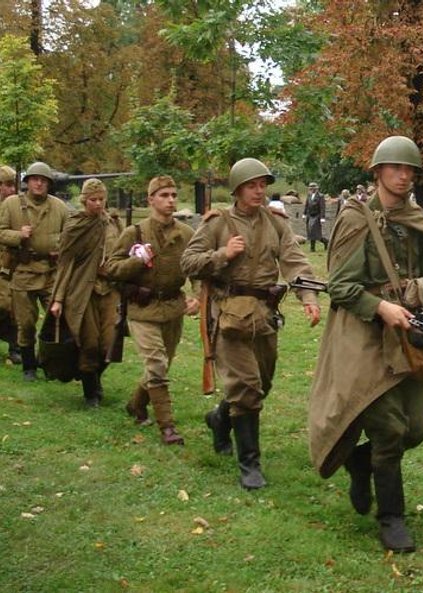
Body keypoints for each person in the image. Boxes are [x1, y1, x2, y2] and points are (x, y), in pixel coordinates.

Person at [308, 136, 423, 554]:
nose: (404, 176)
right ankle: (391, 518)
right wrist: (381, 307)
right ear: (377, 172)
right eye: (395, 168)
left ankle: (361, 461)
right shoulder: (356, 219)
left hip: (407, 336)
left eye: (410, 170)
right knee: (389, 428)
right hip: (364, 335)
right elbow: (340, 286)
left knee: (418, 426)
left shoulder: (415, 216)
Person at [181, 158, 321, 489]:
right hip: (228, 315)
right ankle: (250, 465)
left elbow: (295, 261)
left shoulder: (276, 223)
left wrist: (309, 299)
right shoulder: (217, 223)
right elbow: (188, 262)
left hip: (264, 315)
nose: (259, 191)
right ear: (237, 189)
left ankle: (219, 418)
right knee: (246, 387)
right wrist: (223, 255)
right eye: (251, 186)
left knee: (262, 384)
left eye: (262, 185)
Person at [105, 176, 199, 444]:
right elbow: (110, 269)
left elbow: (197, 267)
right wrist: (136, 261)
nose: (171, 200)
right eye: (164, 195)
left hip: (172, 308)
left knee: (161, 365)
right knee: (156, 365)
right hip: (142, 309)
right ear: (151, 199)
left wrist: (197, 296)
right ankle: (167, 427)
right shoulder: (134, 233)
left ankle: (136, 404)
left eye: (173, 194)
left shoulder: (186, 234)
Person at [49, 179, 123, 407]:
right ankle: (90, 391)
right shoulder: (76, 225)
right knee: (89, 343)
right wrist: (58, 299)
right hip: (83, 291)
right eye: (93, 200)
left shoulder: (113, 223)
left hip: (109, 290)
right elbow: (66, 262)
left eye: (101, 199)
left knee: (109, 343)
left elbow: (122, 253)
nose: (98, 204)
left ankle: (95, 377)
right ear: (84, 200)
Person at [0, 162, 70, 381]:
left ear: (49, 184)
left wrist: (59, 246)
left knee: (57, 318)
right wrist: (18, 235)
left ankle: (51, 362)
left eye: (44, 180)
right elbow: (0, 232)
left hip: (51, 272)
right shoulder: (12, 204)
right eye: (34, 179)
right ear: (27, 182)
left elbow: (69, 236)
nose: (39, 183)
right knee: (26, 322)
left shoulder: (59, 207)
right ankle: (28, 366)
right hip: (22, 271)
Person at [0, 165, 21, 364]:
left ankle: (15, 347)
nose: (11, 190)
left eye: (13, 185)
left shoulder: (17, 208)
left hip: (12, 266)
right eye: (7, 185)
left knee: (12, 306)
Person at [304, 182, 328, 252]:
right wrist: (304, 213)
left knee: (315, 231)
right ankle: (312, 248)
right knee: (311, 231)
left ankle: (325, 242)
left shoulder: (320, 196)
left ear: (316, 188)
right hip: (310, 215)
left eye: (313, 187)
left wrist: (322, 217)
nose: (311, 188)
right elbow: (307, 205)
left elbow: (322, 207)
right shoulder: (309, 195)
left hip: (317, 215)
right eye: (310, 187)